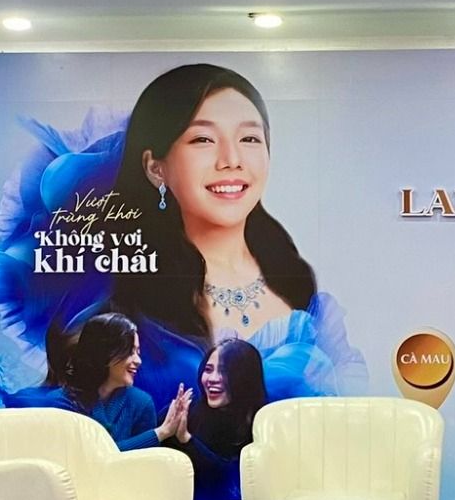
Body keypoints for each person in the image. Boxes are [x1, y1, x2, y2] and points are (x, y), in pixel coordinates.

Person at [107, 64, 365, 405]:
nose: (232, 160)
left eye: (249, 139)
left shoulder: (297, 285)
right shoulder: (126, 292)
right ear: (156, 168)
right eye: (203, 139)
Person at [41, 312, 190, 452]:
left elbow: (146, 461)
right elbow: (90, 456)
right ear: (103, 353)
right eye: (129, 352)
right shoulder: (59, 403)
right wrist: (159, 433)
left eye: (138, 352)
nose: (138, 361)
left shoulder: (141, 403)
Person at [177, 338, 267, 500]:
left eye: (224, 371)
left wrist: (187, 440)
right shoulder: (187, 413)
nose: (212, 379)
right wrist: (165, 432)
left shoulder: (264, 422)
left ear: (245, 377)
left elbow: (231, 480)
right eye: (208, 370)